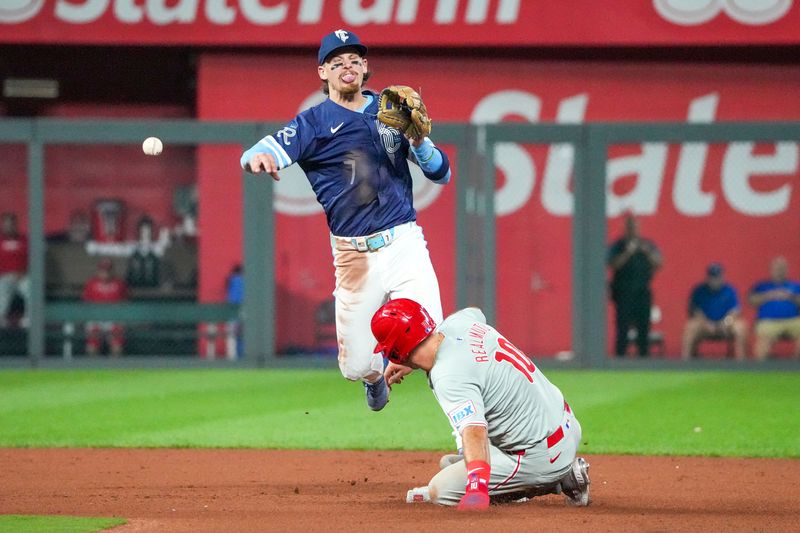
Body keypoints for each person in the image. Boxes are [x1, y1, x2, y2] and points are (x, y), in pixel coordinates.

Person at [240, 29, 451, 411]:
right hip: (353, 256)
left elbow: (442, 174)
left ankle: (469, 438)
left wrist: (419, 142)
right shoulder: (313, 123)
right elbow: (260, 149)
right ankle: (374, 379)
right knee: (355, 365)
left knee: (433, 340)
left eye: (354, 59)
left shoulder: (391, 110)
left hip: (403, 241)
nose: (347, 66)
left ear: (365, 66)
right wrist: (258, 158)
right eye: (337, 62)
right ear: (323, 73)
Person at [373, 299, 590, 510]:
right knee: (451, 463)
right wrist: (412, 359)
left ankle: (561, 478)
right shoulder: (458, 323)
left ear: (395, 350)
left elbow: (474, 431)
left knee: (442, 490)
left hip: (541, 455)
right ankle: (557, 471)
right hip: (566, 424)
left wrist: (476, 488)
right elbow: (474, 310)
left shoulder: (448, 374)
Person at [607, 214, 662, 357]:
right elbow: (612, 264)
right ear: (625, 229)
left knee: (643, 328)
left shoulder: (647, 245)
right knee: (622, 329)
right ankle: (620, 359)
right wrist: (628, 252)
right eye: (630, 227)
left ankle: (643, 359)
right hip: (623, 293)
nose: (633, 230)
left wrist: (646, 251)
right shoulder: (618, 246)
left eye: (635, 227)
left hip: (642, 293)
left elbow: (659, 263)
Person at [681, 263, 747, 360]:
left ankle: (742, 363)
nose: (715, 280)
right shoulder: (699, 291)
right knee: (690, 327)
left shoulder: (730, 290)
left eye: (717, 277)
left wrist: (726, 322)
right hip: (704, 325)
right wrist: (706, 324)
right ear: (707, 277)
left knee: (741, 327)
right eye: (712, 277)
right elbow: (695, 311)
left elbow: (735, 311)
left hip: (725, 325)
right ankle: (685, 363)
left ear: (722, 277)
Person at [748, 256, 800, 360]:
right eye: (777, 269)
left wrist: (791, 296)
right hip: (768, 322)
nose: (779, 272)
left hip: (792, 321)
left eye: (782, 269)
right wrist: (769, 295)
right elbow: (751, 301)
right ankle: (760, 370)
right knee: (763, 342)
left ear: (787, 270)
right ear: (771, 270)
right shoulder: (762, 286)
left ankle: (795, 369)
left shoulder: (795, 286)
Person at [82, 258, 128, 357]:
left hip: (114, 319)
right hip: (96, 318)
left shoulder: (119, 284)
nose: (105, 273)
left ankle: (115, 369)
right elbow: (85, 302)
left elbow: (125, 302)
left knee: (117, 346)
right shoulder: (91, 284)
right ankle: (92, 369)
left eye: (108, 270)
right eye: (102, 270)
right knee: (91, 347)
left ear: (112, 271)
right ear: (98, 270)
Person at [0, 212, 29, 328]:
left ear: (15, 225)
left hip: (23, 276)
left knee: (31, 288)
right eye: (6, 224)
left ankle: (29, 319)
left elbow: (33, 259)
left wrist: (23, 272)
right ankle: (1, 319)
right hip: (4, 276)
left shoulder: (24, 240)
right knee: (2, 290)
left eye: (11, 224)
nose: (9, 226)